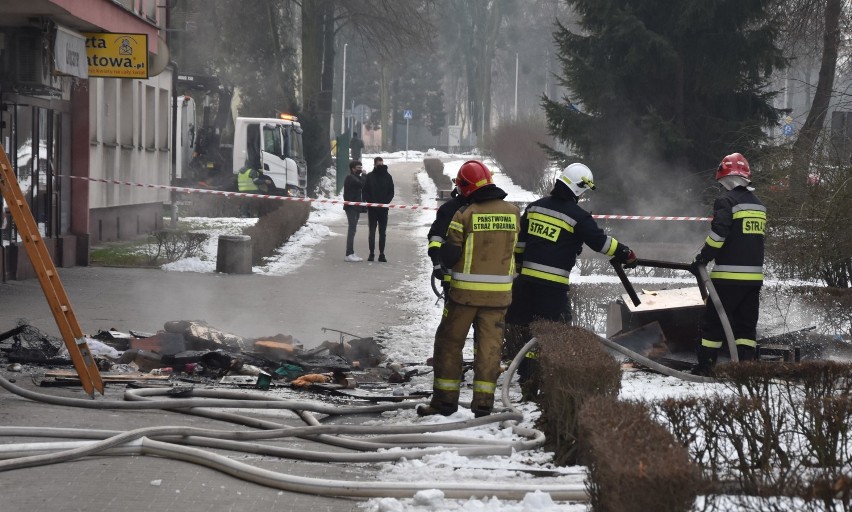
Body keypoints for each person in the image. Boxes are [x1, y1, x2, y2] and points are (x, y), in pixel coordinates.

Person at [504, 163, 637, 398]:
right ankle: (551, 376)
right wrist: (625, 252)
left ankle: (527, 375)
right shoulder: (578, 216)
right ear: (578, 188)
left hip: (526, 284)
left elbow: (521, 245)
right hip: (553, 288)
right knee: (558, 332)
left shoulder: (535, 208)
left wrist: (524, 269)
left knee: (527, 330)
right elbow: (601, 243)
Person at [418, 160, 520, 418]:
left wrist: (441, 263)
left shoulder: (465, 214)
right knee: (489, 349)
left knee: (449, 344)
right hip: (499, 298)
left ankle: (444, 403)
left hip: (464, 296)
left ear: (466, 186)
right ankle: (484, 405)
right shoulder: (513, 212)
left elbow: (450, 253)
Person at [692, 153, 766, 375]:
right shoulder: (759, 205)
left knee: (713, 323)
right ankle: (744, 369)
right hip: (753, 280)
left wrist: (703, 257)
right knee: (745, 326)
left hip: (727, 278)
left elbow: (719, 235)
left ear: (725, 178)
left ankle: (706, 367)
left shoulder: (727, 201)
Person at [427, 184, 469, 296]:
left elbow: (435, 237)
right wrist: (436, 262)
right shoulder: (449, 209)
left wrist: (436, 262)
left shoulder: (449, 208)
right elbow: (436, 237)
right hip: (454, 279)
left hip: (455, 278)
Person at [362, 156, 394, 262]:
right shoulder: (370, 176)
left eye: (382, 164)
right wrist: (370, 202)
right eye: (379, 164)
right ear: (375, 164)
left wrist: (385, 202)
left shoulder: (388, 177)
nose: (381, 166)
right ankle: (371, 253)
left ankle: (382, 254)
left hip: (384, 209)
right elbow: (365, 191)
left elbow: (391, 191)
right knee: (372, 231)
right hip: (372, 209)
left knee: (382, 232)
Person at [343, 160, 366, 262]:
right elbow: (361, 184)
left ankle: (351, 252)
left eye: (361, 167)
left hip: (356, 207)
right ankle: (348, 254)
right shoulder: (350, 178)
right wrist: (364, 175)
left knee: (353, 230)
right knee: (351, 230)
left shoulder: (357, 177)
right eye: (358, 168)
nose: (360, 169)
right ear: (353, 169)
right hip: (351, 207)